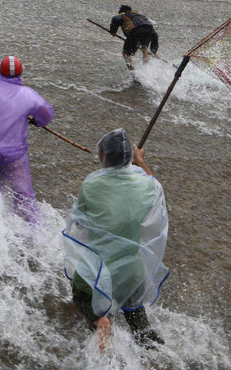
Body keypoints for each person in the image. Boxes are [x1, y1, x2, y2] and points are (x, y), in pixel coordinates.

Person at [63, 129, 169, 351]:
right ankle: (152, 348)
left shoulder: (91, 185)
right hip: (132, 272)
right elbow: (157, 187)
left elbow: (79, 223)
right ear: (130, 157)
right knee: (135, 312)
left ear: (106, 158)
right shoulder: (147, 186)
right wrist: (140, 161)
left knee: (82, 296)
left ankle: (99, 321)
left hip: (98, 271)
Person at [0, 55, 55, 223]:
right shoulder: (27, 94)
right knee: (23, 194)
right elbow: (46, 113)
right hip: (14, 155)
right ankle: (31, 231)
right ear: (20, 73)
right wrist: (37, 120)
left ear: (0, 71)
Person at [109, 5, 159, 70]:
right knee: (144, 49)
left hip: (135, 31)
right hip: (149, 30)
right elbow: (154, 35)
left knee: (126, 54)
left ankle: (133, 72)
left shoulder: (124, 15)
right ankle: (145, 70)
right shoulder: (141, 17)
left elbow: (116, 19)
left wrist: (113, 31)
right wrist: (154, 51)